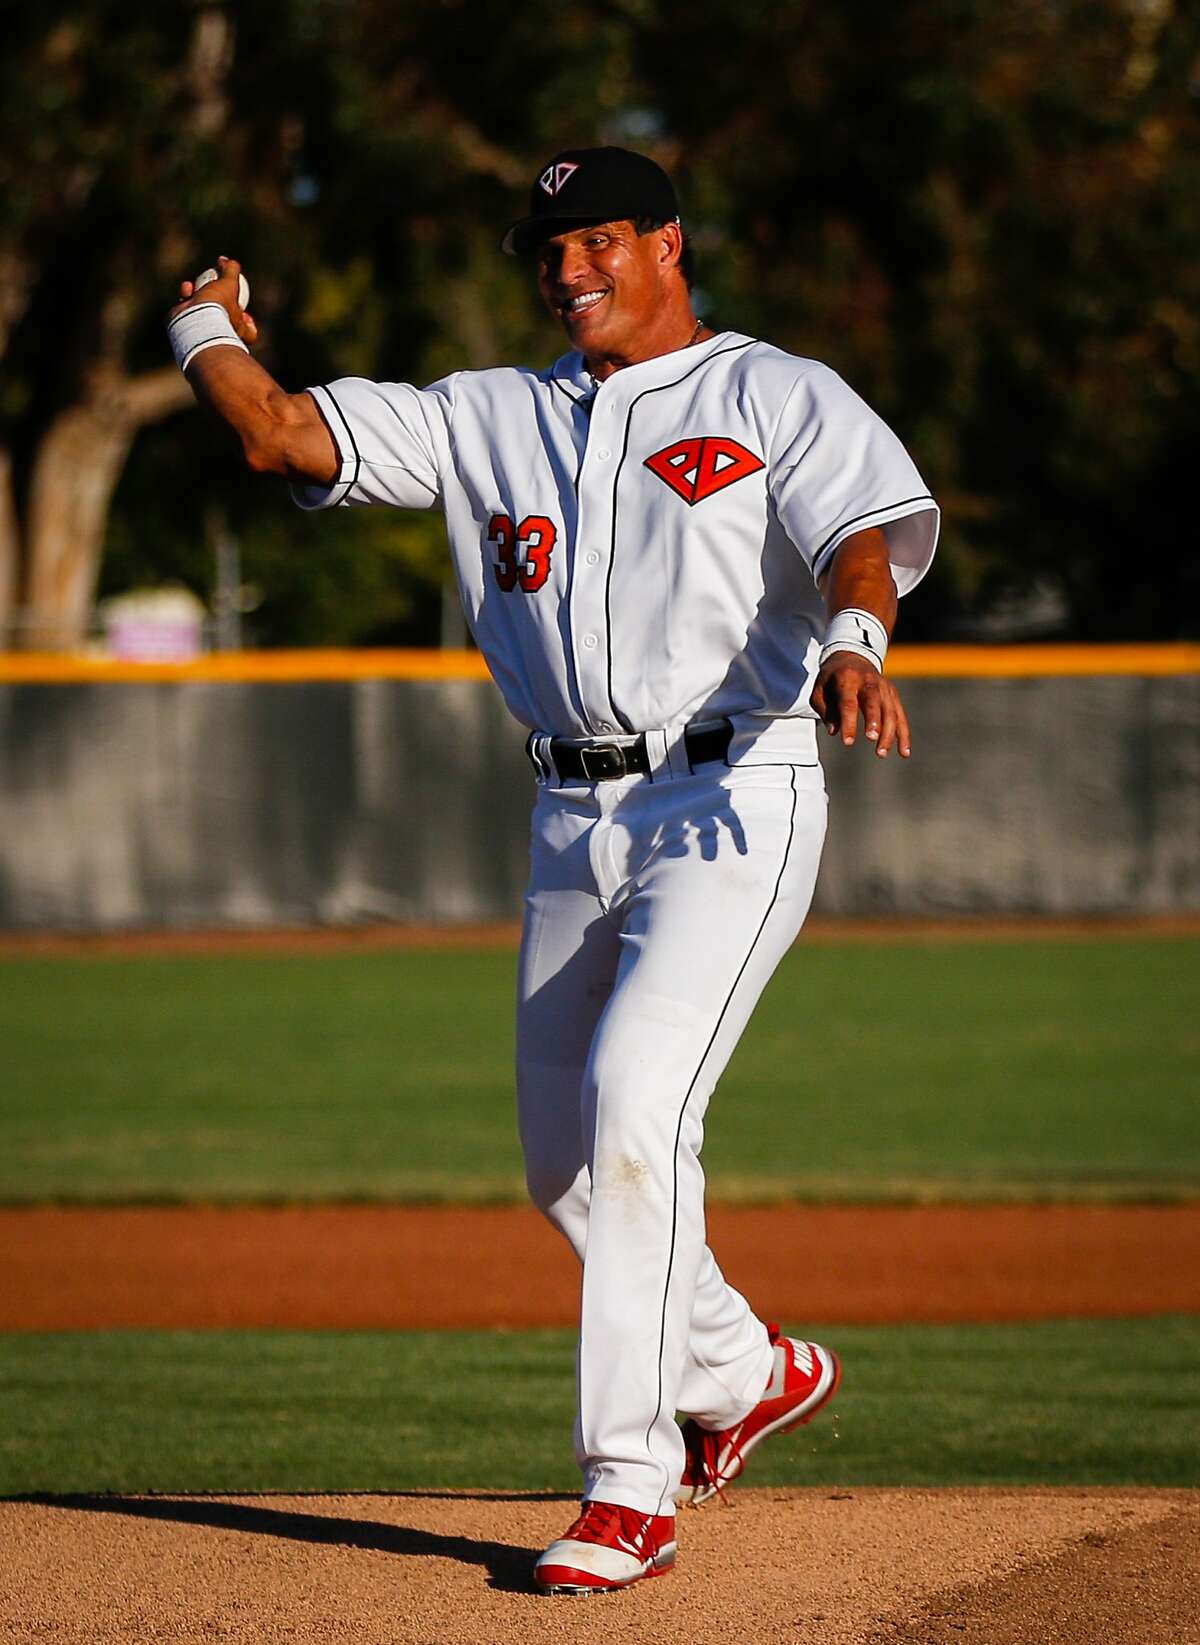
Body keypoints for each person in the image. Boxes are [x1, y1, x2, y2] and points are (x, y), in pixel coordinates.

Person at [168, 146, 938, 1596]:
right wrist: (203, 332)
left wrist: (856, 645)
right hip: (571, 817)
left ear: (667, 242)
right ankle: (744, 1369)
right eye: (548, 244)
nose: (568, 264)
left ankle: (629, 1481)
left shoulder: (773, 391)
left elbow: (859, 540)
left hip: (733, 791)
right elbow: (280, 439)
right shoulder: (489, 416)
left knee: (640, 1095)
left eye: (597, 236)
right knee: (565, 1165)